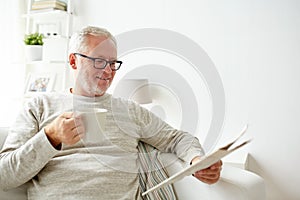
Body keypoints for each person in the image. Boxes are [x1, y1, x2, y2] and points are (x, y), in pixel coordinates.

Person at [0, 26, 222, 199]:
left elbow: (177, 138)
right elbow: (4, 176)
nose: (108, 71)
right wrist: (50, 137)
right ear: (73, 61)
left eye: (113, 63)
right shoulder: (40, 106)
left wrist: (197, 160)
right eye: (98, 61)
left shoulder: (129, 110)